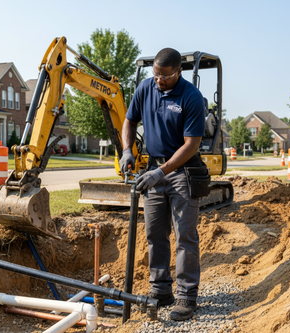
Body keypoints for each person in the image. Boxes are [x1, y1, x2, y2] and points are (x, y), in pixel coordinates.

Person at [119, 47, 206, 321]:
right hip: (153, 168)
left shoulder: (191, 97)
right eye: (155, 75)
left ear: (178, 72)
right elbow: (129, 121)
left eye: (164, 77)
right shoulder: (146, 88)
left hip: (182, 171)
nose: (159, 81)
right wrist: (126, 150)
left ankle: (187, 297)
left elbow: (191, 144)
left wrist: (163, 172)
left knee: (184, 235)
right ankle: (160, 290)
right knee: (155, 233)